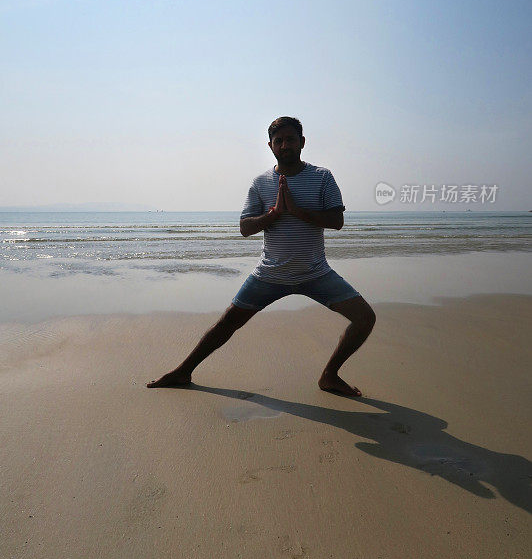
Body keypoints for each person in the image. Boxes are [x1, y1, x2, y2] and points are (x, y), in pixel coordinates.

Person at [147, 116, 376, 396]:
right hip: (270, 274)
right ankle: (183, 371)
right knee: (227, 322)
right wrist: (275, 214)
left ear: (302, 142)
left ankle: (329, 375)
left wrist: (296, 211)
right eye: (278, 141)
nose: (284, 145)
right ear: (270, 146)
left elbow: (337, 221)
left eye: (290, 139)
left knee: (365, 318)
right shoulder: (260, 183)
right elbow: (245, 228)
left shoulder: (322, 177)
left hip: (315, 273)